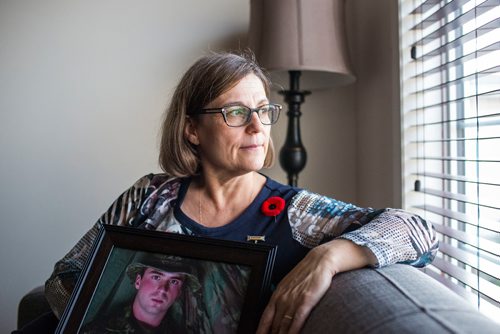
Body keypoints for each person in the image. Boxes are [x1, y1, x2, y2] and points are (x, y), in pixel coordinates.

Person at [45, 51, 439, 333]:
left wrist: (329, 256)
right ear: (192, 129)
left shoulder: (295, 212)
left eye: (264, 110)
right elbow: (66, 276)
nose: (257, 127)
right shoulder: (150, 195)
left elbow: (419, 231)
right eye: (235, 112)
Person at [81, 255, 203, 333]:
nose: (162, 289)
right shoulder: (99, 330)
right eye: (156, 277)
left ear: (179, 293)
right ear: (138, 282)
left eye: (174, 281)